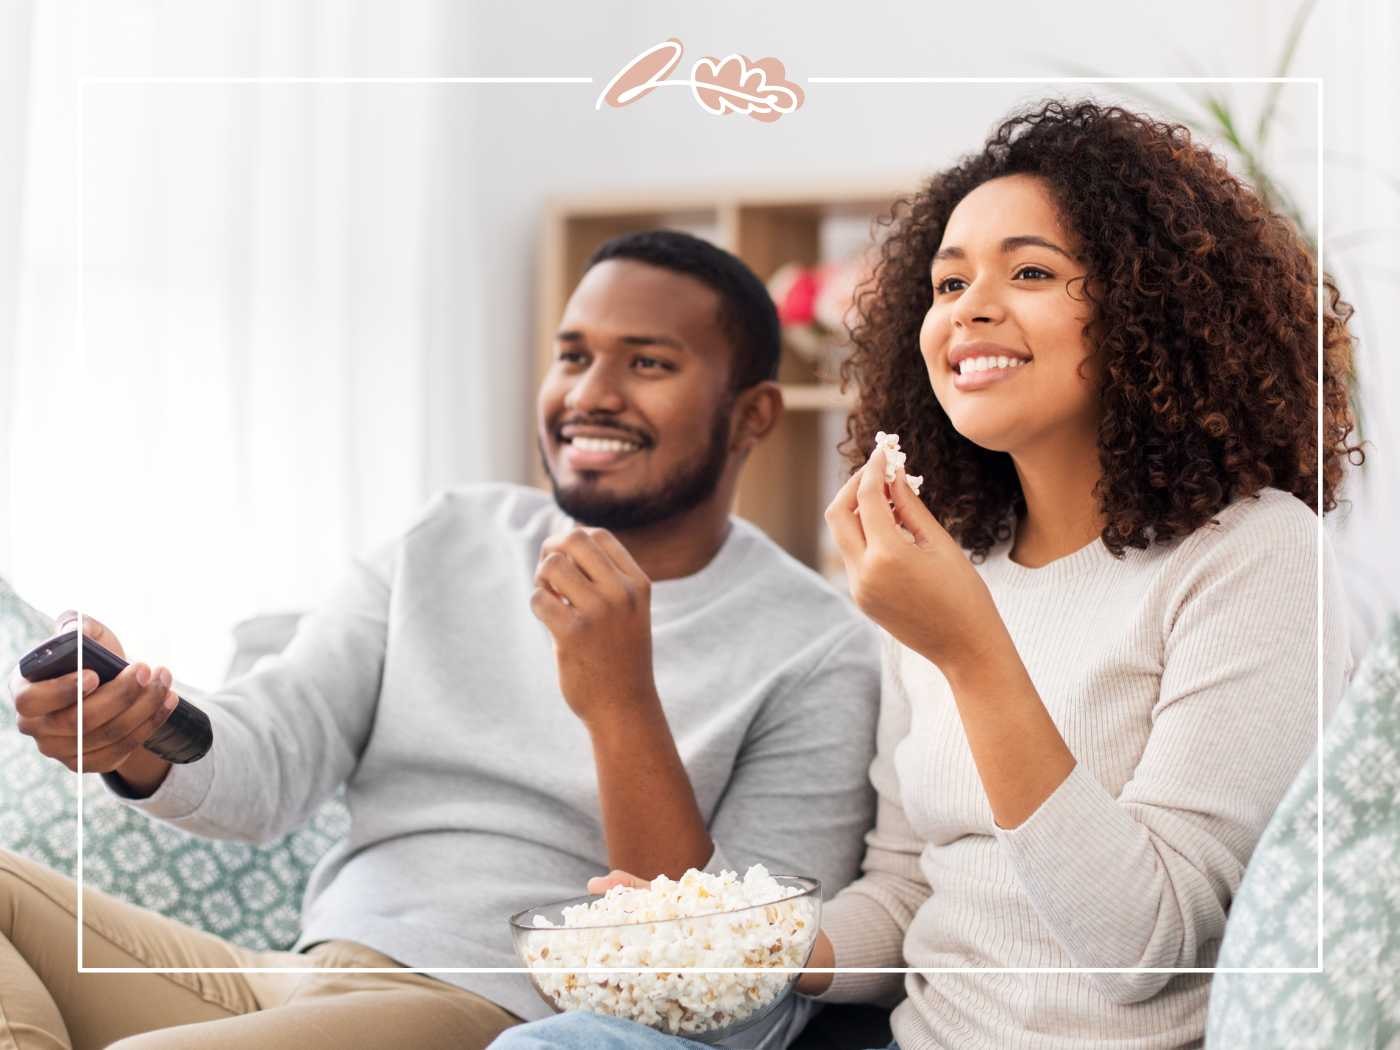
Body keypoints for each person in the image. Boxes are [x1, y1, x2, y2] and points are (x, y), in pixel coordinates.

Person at [488, 99, 1359, 1050]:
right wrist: (751, 945)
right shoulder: (949, 561)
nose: (970, 309)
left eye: (1031, 272)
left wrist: (972, 651)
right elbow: (908, 888)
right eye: (948, 284)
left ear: (1154, 308)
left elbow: (1147, 943)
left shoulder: (1253, 558)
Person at [0, 230, 880, 1050]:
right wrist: (135, 727)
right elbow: (269, 755)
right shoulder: (449, 536)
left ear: (754, 415)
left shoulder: (816, 648)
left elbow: (739, 988)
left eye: (648, 363)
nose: (589, 395)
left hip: (496, 1012)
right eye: (572, 356)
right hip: (308, 979)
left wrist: (620, 701)